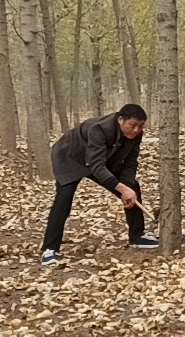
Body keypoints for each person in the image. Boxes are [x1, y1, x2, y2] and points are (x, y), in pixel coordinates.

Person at [41, 104, 155, 265]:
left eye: (141, 126)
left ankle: (137, 236)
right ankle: (50, 249)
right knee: (64, 197)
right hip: (70, 157)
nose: (136, 130)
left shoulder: (136, 134)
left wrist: (126, 187)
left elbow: (130, 162)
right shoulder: (98, 128)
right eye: (133, 125)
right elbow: (96, 166)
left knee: (132, 187)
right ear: (120, 120)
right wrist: (121, 188)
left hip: (100, 158)